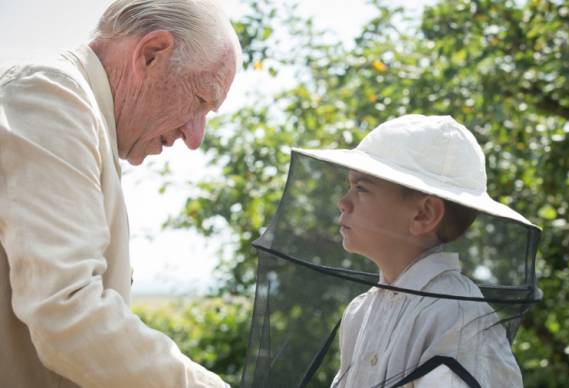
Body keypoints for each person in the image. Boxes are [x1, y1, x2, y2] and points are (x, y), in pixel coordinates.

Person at [0, 1, 242, 387]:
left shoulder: (77, 112)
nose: (195, 137)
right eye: (200, 101)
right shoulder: (50, 96)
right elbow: (65, 310)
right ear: (150, 54)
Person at [294, 115, 530, 387]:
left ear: (423, 214)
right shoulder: (360, 311)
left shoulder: (455, 316)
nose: (343, 202)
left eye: (361, 187)